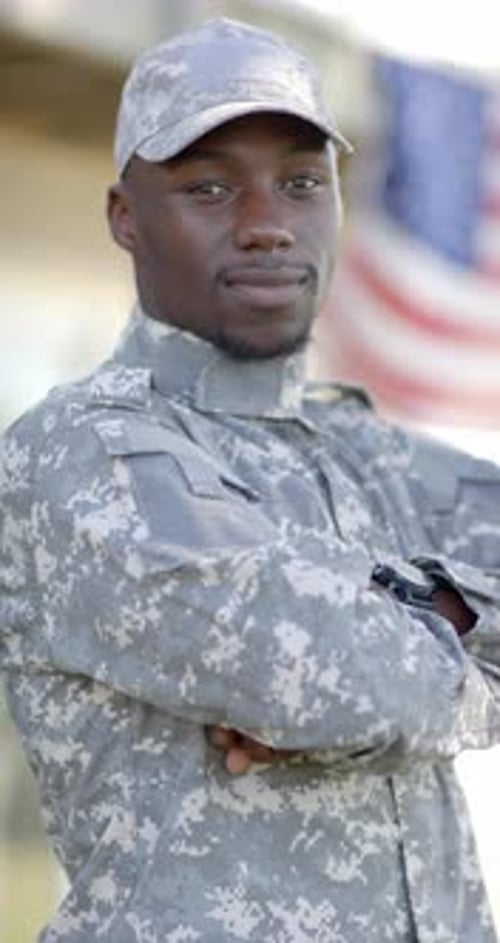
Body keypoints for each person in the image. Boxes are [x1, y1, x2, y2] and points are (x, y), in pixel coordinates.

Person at [0, 16, 499, 943]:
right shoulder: (81, 453)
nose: (269, 224)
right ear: (125, 216)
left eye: (302, 182)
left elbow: (360, 676)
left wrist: (425, 614)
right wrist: (447, 650)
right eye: (210, 187)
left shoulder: (369, 452)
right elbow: (359, 685)